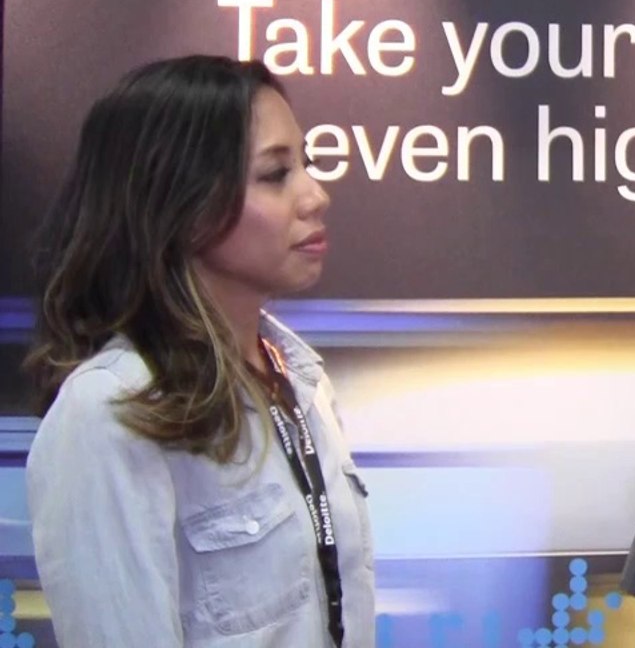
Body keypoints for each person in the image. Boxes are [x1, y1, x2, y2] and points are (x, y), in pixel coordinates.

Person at [23, 55, 375, 647]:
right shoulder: (110, 412)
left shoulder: (302, 381)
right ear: (180, 203)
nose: (316, 196)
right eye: (275, 174)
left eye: (307, 165)